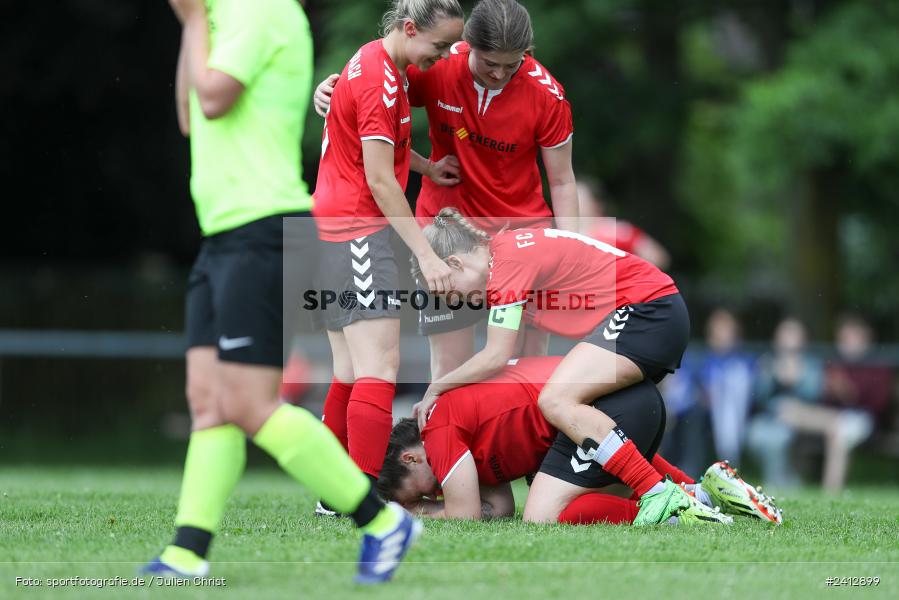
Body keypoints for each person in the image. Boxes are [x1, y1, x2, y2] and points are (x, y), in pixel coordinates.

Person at [144, 0, 421, 584]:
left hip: (263, 229)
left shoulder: (264, 11)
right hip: (222, 231)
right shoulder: (218, 17)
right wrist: (195, 25)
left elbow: (214, 99)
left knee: (247, 402)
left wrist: (194, 23)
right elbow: (191, 114)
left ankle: (379, 521)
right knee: (208, 398)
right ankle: (187, 553)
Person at [314, 0, 579, 382]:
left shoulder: (547, 96)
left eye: (512, 64)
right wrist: (331, 90)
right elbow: (374, 85)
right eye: (490, 63)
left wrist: (570, 252)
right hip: (447, 236)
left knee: (524, 372)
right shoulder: (439, 65)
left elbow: (562, 181)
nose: (500, 74)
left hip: (521, 236)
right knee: (450, 373)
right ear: (469, 45)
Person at [409, 208, 698, 519]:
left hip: (647, 309)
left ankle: (659, 493)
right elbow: (527, 361)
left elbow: (496, 356)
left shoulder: (505, 268)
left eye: (452, 292)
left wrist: (436, 387)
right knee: (563, 410)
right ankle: (698, 492)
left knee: (556, 399)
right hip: (654, 309)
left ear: (455, 263)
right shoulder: (507, 254)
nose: (461, 301)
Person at [311, 0, 464, 494]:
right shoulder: (380, 80)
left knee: (350, 371)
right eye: (438, 46)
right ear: (410, 28)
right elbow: (379, 179)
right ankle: (358, 497)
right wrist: (425, 253)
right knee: (380, 369)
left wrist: (425, 168)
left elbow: (380, 149)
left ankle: (332, 492)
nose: (440, 58)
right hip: (357, 231)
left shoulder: (376, 61)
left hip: (333, 227)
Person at [378, 356, 781, 525]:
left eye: (423, 492)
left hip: (615, 408)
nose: (435, 495)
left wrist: (416, 513)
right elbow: (497, 507)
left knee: (545, 513)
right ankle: (704, 490)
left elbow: (464, 514)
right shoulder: (462, 441)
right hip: (628, 405)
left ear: (413, 459)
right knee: (551, 482)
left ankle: (674, 515)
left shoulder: (439, 429)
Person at [778, 315, 892, 491]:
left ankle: (831, 493)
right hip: (832, 416)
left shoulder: (877, 365)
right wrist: (831, 390)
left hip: (862, 419)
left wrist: (849, 393)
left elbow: (879, 405)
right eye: (844, 338)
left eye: (853, 338)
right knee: (788, 411)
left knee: (840, 432)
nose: (848, 343)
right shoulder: (833, 362)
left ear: (865, 339)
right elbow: (821, 400)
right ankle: (790, 483)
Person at [746, 317, 824, 488]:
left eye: (793, 334)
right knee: (757, 436)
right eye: (784, 334)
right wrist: (773, 376)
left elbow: (814, 396)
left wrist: (798, 379)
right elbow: (759, 398)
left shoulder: (811, 364)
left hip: (802, 419)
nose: (788, 339)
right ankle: (780, 480)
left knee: (778, 437)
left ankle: (778, 483)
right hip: (769, 419)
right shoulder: (767, 362)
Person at [576, 176, 670, 270]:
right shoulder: (566, 234)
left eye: (580, 199)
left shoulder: (617, 230)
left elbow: (658, 258)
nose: (574, 204)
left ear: (597, 204)